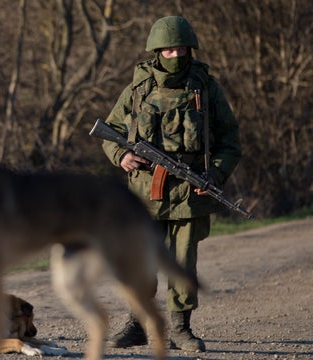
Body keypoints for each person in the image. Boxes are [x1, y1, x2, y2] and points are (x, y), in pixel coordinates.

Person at [101, 16, 241, 352]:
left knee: (183, 263)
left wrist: (214, 175)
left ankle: (180, 329)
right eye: (167, 49)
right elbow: (110, 130)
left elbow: (230, 141)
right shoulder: (138, 88)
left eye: (180, 48)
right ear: (156, 50)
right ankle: (136, 325)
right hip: (144, 193)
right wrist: (120, 154)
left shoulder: (205, 87)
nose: (174, 55)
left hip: (189, 193)